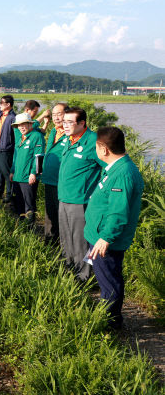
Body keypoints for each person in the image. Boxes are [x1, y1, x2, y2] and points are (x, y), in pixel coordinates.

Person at [85, 127, 143, 330]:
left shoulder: (123, 173)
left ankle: (110, 324)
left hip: (106, 241)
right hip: (99, 235)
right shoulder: (114, 166)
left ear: (104, 149)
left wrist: (106, 237)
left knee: (110, 282)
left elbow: (119, 212)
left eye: (95, 147)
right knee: (106, 279)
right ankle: (111, 317)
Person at [58, 107, 105, 282]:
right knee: (65, 236)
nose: (65, 125)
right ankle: (69, 266)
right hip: (64, 197)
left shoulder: (93, 142)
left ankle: (85, 276)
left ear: (82, 123)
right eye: (64, 121)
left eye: (70, 122)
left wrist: (98, 193)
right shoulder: (69, 139)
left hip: (81, 200)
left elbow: (108, 167)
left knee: (80, 240)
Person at [9, 113, 45, 226]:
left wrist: (34, 173)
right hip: (17, 176)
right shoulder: (20, 136)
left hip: (28, 177)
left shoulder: (36, 136)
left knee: (29, 203)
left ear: (30, 124)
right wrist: (12, 171)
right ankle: (21, 225)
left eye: (23, 124)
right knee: (19, 202)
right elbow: (15, 156)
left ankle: (30, 227)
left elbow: (39, 157)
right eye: (19, 125)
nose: (21, 127)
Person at [40, 103, 68, 245]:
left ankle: (63, 244)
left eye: (59, 114)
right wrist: (43, 117)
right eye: (54, 114)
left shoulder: (71, 135)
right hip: (49, 179)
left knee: (61, 214)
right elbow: (32, 128)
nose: (56, 118)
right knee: (49, 212)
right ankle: (49, 241)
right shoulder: (53, 131)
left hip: (61, 182)